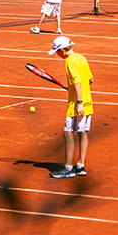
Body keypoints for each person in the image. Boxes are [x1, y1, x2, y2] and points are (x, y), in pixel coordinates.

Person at [47, 36, 94, 178]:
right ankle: (80, 165)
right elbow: (90, 79)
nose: (57, 55)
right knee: (82, 132)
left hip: (76, 104)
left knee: (68, 133)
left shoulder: (69, 61)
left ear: (61, 50)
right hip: (88, 102)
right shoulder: (81, 58)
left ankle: (68, 168)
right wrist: (75, 90)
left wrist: (78, 102)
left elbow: (77, 81)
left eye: (57, 52)